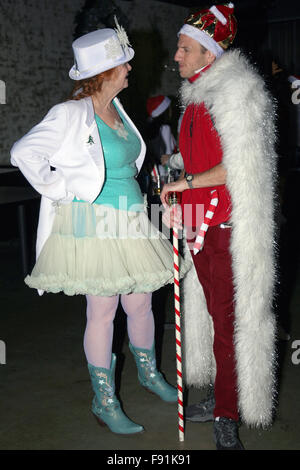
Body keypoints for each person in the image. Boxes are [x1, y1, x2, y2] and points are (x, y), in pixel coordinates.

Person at [10, 21, 190, 435]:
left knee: (141, 303)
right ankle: (103, 399)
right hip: (93, 223)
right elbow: (24, 152)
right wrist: (59, 188)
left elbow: (128, 162)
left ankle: (148, 375)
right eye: (124, 63)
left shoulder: (119, 110)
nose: (130, 69)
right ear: (107, 70)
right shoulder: (71, 113)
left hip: (130, 219)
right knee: (103, 311)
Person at [160, 4, 277, 450]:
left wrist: (185, 181)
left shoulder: (236, 93)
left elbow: (236, 167)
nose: (176, 56)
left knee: (228, 325)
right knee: (210, 321)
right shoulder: (196, 96)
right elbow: (195, 158)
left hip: (226, 231)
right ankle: (219, 397)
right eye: (178, 47)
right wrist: (172, 171)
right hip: (197, 229)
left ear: (209, 54)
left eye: (184, 48)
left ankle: (227, 414)